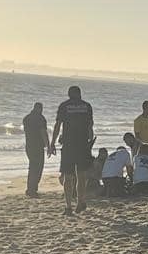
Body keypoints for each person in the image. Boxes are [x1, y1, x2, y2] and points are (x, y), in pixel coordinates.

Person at [50, 86, 94, 216]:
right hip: (82, 144)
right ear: (80, 94)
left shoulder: (64, 106)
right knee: (81, 175)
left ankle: (68, 206)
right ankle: (81, 201)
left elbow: (58, 125)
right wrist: (90, 139)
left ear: (69, 94)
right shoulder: (87, 106)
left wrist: (53, 142)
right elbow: (90, 126)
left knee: (68, 176)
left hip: (69, 145)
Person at [22, 102, 50, 198]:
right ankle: (33, 189)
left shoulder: (26, 118)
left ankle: (30, 188)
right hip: (38, 146)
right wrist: (48, 146)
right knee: (38, 168)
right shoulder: (40, 118)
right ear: (40, 109)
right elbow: (43, 133)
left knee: (32, 167)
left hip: (29, 146)